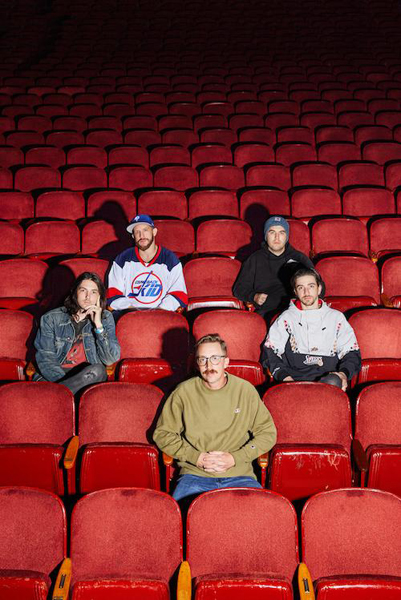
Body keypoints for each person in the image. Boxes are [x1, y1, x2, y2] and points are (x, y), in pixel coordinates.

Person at [153, 333, 277, 502]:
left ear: (226, 362)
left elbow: (268, 433)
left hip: (240, 475)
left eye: (215, 358)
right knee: (179, 514)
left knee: (262, 514)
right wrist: (196, 457)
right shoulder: (183, 392)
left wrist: (235, 458)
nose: (209, 365)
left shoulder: (245, 390)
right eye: (202, 359)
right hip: (194, 475)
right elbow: (162, 434)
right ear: (196, 363)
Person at [263, 267, 361, 390]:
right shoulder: (286, 318)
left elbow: (351, 352)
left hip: (329, 380)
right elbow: (270, 351)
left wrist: (343, 374)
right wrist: (285, 378)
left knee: (333, 381)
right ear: (295, 291)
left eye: (311, 286)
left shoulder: (336, 318)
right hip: (295, 381)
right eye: (301, 288)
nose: (306, 292)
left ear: (319, 289)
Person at [34, 272, 120, 394]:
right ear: (75, 293)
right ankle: (61, 394)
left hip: (88, 376)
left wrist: (98, 326)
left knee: (98, 371)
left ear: (99, 296)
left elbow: (110, 359)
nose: (88, 297)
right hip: (53, 376)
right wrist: (65, 384)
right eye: (83, 290)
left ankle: (56, 395)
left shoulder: (106, 318)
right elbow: (45, 359)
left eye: (93, 292)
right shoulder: (51, 318)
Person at [233, 215, 318, 321]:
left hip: (297, 312)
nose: (277, 237)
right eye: (272, 232)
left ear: (287, 236)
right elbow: (239, 289)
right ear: (266, 235)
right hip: (267, 312)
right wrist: (254, 296)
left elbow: (319, 286)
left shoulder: (299, 258)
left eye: (281, 233)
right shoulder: (254, 259)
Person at [107, 214, 187, 320]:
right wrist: (133, 312)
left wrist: (158, 312)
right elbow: (113, 294)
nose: (141, 235)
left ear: (154, 232)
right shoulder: (122, 259)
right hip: (130, 317)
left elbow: (179, 294)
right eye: (137, 232)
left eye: (145, 230)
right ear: (133, 236)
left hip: (161, 317)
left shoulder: (170, 259)